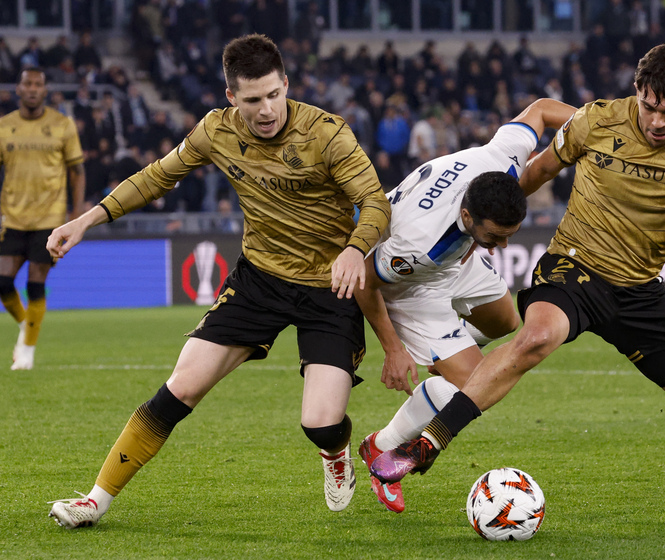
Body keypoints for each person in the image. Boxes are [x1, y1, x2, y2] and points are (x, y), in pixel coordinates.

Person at [370, 42, 665, 513]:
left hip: (640, 289)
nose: (658, 121)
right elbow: (535, 173)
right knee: (536, 337)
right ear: (637, 91)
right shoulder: (596, 121)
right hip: (573, 266)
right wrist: (472, 233)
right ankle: (427, 444)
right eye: (649, 106)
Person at [46, 34, 390, 529]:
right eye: (253, 99)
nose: (267, 109)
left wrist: (356, 249)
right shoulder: (215, 131)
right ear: (232, 97)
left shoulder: (328, 133)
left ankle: (336, 452)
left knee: (320, 423)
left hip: (328, 288)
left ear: (286, 83)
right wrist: (86, 220)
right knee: (180, 386)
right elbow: (156, 177)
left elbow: (377, 203)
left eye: (274, 94)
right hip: (259, 281)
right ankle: (96, 500)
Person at [354, 98, 576, 513]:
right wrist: (393, 348)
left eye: (510, 234)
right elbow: (365, 279)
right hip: (413, 286)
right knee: (475, 383)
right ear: (469, 214)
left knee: (508, 319)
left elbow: (543, 109)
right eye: (496, 236)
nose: (505, 245)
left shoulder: (502, 157)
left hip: (461, 257)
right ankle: (379, 447)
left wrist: (601, 128)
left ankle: (446, 352)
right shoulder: (417, 245)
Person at [0, 67, 85, 370]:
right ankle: (28, 326)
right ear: (19, 89)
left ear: (45, 90)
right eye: (28, 84)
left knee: (35, 285)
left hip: (49, 219)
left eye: (38, 84)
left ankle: (27, 350)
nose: (33, 89)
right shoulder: (4, 127)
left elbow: (77, 173)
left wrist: (75, 216)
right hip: (12, 218)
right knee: (3, 282)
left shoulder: (62, 125)